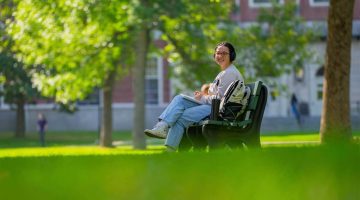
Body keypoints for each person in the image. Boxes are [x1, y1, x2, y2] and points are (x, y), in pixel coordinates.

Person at [144, 42, 244, 152]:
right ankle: (162, 128)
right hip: (211, 107)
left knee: (180, 112)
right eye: (218, 53)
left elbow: (219, 100)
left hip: (216, 110)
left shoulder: (229, 73)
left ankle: (166, 141)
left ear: (232, 55)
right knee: (179, 100)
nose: (220, 56)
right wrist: (203, 96)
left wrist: (202, 97)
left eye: (224, 53)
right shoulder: (224, 72)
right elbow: (217, 96)